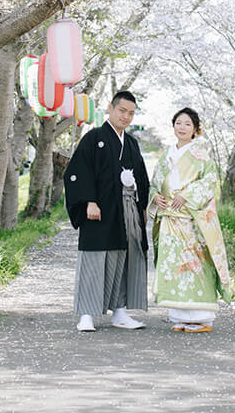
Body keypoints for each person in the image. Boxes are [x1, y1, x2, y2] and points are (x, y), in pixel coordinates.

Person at [64, 90, 151, 332]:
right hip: (99, 210)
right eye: (122, 110)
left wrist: (142, 206)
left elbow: (142, 178)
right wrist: (89, 201)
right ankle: (86, 314)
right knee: (94, 259)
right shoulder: (94, 138)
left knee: (124, 258)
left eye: (131, 113)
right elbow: (77, 172)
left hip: (127, 210)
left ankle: (120, 311)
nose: (126, 116)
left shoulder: (132, 143)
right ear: (110, 109)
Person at [148, 107, 230, 333]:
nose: (182, 128)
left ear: (195, 129)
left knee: (196, 264)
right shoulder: (166, 154)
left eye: (187, 124)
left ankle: (202, 318)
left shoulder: (200, 154)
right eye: (178, 123)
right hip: (170, 219)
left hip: (191, 220)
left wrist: (187, 195)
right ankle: (181, 316)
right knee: (174, 266)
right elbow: (155, 182)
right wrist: (155, 196)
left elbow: (209, 181)